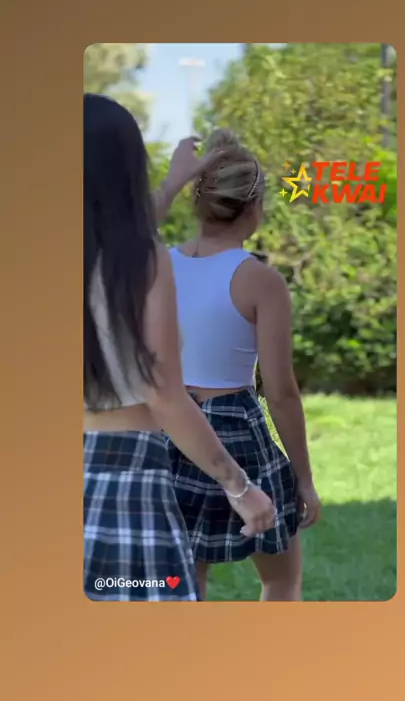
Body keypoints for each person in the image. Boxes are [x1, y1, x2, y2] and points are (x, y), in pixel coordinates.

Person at [84, 96, 275, 602]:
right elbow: (164, 393)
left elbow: (107, 239)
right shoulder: (145, 260)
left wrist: (171, 185)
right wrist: (239, 486)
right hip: (124, 476)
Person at [166, 128, 322, 601]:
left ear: (198, 202)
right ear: (254, 207)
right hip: (236, 431)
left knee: (183, 580)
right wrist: (304, 479)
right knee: (281, 579)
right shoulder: (260, 281)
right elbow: (280, 390)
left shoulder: (157, 265)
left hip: (170, 428)